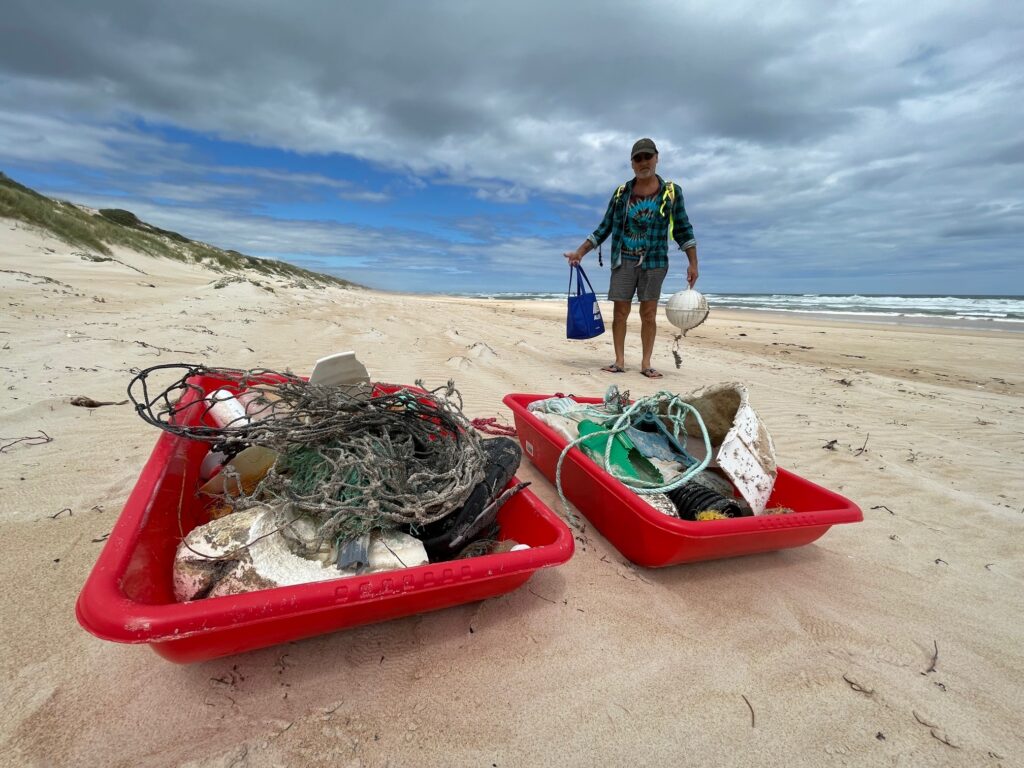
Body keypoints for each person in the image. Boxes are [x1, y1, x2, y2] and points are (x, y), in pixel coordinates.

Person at [564, 138, 698, 379]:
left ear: (657, 158)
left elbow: (683, 229)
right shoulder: (621, 194)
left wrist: (693, 263)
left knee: (648, 314)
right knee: (620, 313)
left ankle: (646, 363)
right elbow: (603, 227)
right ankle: (619, 361)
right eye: (638, 158)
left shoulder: (671, 192)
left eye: (648, 157)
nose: (643, 162)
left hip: (655, 261)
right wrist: (580, 252)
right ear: (632, 163)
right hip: (623, 260)